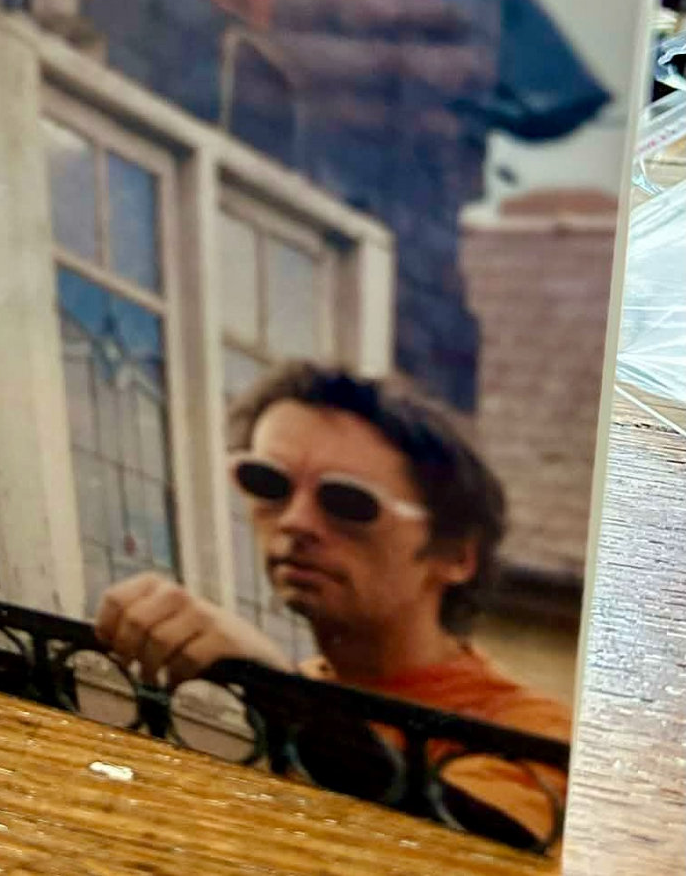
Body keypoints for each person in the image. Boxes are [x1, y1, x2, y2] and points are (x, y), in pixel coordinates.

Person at [94, 360, 571, 846]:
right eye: (268, 483)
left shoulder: (534, 731)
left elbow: (465, 847)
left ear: (454, 555)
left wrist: (277, 692)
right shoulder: (301, 691)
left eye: (348, 502)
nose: (295, 521)